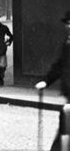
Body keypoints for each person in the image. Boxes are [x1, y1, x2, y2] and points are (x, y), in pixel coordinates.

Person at [34, 10, 70, 151]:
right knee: (63, 135)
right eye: (67, 23)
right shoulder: (67, 43)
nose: (68, 26)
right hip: (68, 98)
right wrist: (46, 81)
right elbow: (59, 65)